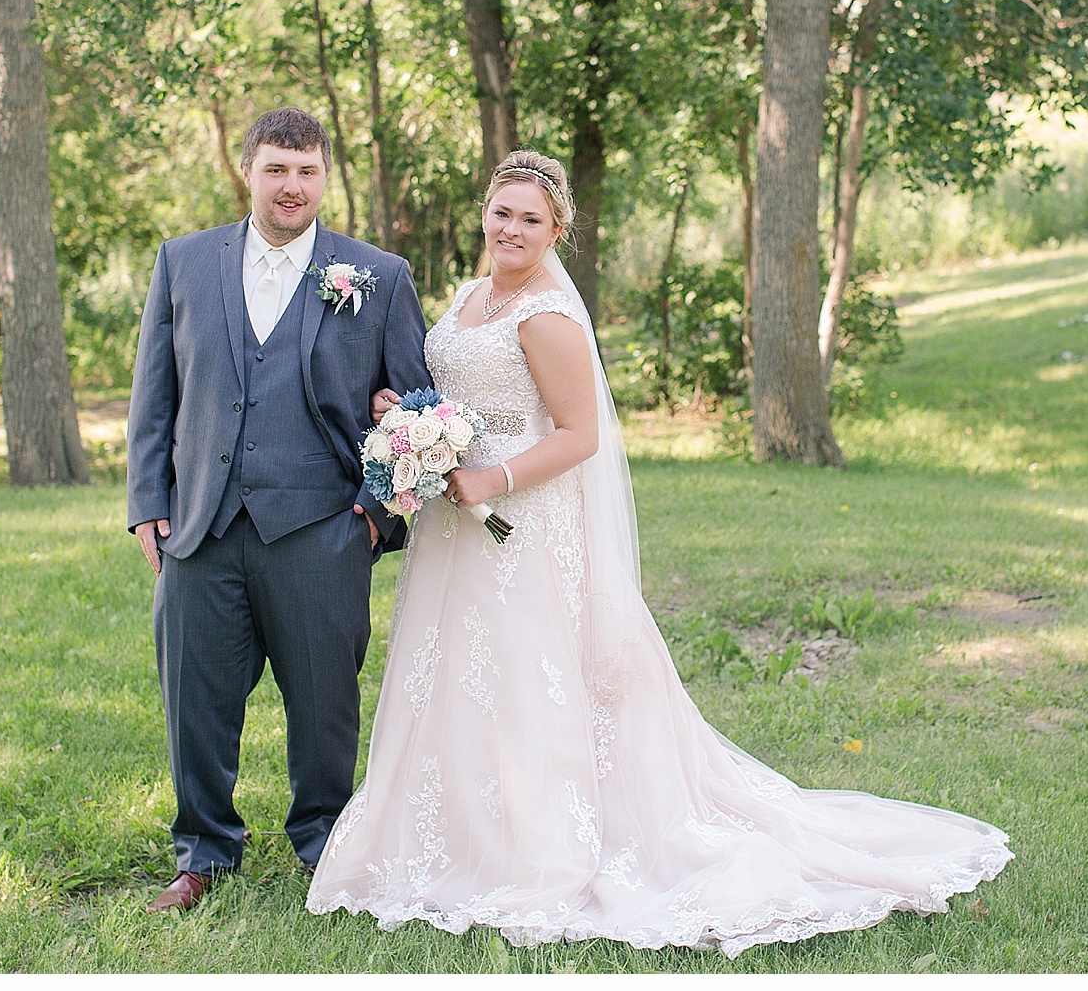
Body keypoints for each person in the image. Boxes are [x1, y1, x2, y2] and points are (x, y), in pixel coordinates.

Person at [307, 150, 1012, 955]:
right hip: (459, 530)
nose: (511, 229)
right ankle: (453, 835)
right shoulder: (471, 297)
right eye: (502, 213)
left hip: (523, 525)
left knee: (527, 676)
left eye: (530, 220)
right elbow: (468, 395)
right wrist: (412, 418)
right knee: (461, 675)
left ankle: (534, 848)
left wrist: (490, 477)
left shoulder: (545, 314)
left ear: (557, 230)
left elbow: (580, 435)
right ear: (484, 215)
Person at [126, 106, 431, 913]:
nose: (290, 186)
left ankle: (325, 845)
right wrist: (148, 504)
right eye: (275, 170)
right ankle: (203, 852)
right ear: (249, 173)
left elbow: (421, 407)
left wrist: (372, 514)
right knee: (194, 698)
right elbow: (155, 397)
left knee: (324, 701)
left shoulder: (379, 276)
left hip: (320, 530)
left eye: (306, 172)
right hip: (201, 527)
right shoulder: (182, 263)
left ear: (325, 177)